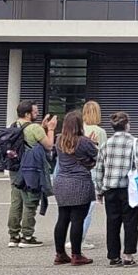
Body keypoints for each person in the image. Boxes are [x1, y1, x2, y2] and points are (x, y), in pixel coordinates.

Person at [93, 111, 138, 268]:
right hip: (128, 189)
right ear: (127, 125)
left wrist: (99, 191)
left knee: (112, 222)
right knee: (131, 222)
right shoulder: (134, 142)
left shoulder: (105, 144)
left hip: (110, 189)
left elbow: (98, 170)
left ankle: (113, 256)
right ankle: (128, 255)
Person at [5, 101, 56, 248]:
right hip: (30, 169)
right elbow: (49, 145)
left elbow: (28, 138)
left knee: (16, 201)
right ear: (27, 114)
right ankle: (27, 236)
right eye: (35, 112)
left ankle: (13, 236)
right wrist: (50, 129)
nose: (37, 113)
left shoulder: (13, 126)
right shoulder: (34, 128)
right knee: (30, 201)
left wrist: (42, 126)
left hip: (15, 168)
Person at [52, 111, 98, 266]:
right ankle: (76, 254)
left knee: (62, 218)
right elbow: (95, 154)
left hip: (61, 182)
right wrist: (93, 143)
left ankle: (59, 253)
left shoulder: (59, 140)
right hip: (79, 182)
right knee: (77, 219)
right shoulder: (83, 141)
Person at [78, 100, 107, 250]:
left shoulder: (78, 129)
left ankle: (71, 235)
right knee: (88, 209)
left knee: (75, 208)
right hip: (93, 173)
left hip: (75, 173)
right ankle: (80, 239)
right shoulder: (100, 132)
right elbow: (102, 156)